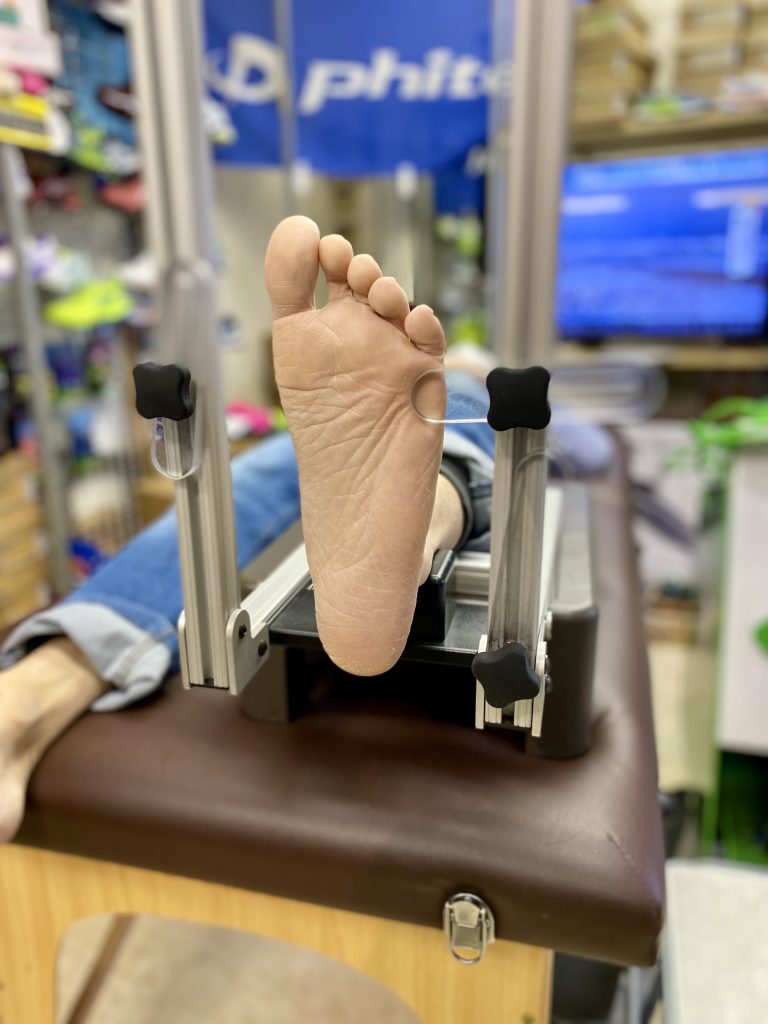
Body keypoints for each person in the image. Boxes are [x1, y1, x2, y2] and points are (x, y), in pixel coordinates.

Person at [0, 216, 610, 845]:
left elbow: (589, 450)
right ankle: (429, 511)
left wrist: (475, 373)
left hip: (451, 398)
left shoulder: (467, 370)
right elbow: (597, 449)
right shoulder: (442, 365)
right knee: (422, 424)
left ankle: (29, 693)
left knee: (281, 470)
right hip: (424, 402)